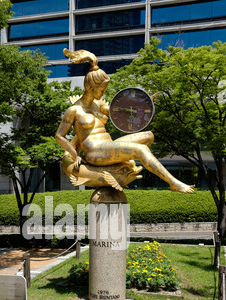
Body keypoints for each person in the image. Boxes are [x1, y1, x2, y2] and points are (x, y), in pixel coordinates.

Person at [55, 49, 194, 193]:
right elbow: (59, 136)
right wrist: (75, 153)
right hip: (94, 152)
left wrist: (143, 103)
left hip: (108, 146)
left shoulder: (99, 104)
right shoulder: (74, 110)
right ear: (90, 87)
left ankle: (122, 163)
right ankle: (173, 183)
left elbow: (123, 112)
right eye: (102, 90)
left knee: (149, 136)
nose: (104, 93)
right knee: (141, 149)